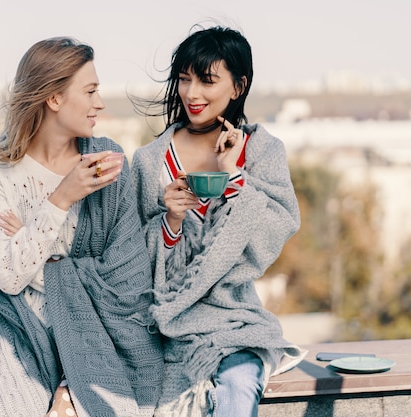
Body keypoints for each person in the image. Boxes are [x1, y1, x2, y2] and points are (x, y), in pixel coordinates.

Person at [0, 36, 164, 417]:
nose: (99, 102)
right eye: (90, 91)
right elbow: (8, 277)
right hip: (18, 331)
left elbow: (127, 282)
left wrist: (33, 243)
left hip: (99, 334)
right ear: (54, 98)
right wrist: (60, 199)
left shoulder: (109, 163)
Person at [130, 24, 307, 417]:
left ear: (238, 86)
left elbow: (272, 235)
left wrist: (233, 180)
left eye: (207, 80)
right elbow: (128, 255)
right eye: (184, 80)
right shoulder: (148, 162)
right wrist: (171, 221)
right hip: (158, 319)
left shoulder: (261, 151)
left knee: (240, 379)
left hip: (233, 317)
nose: (192, 94)